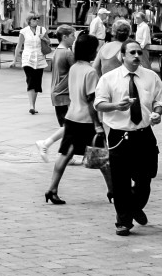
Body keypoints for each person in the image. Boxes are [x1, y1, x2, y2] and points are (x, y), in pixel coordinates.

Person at [94, 39, 162, 236]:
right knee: (121, 181)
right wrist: (116, 106)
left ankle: (135, 207)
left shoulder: (151, 76)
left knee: (145, 180)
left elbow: (161, 99)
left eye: (138, 52)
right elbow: (99, 103)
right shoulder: (109, 78)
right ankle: (123, 220)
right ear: (123, 56)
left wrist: (157, 112)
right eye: (132, 53)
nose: (136, 56)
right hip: (120, 135)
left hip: (144, 135)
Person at [44, 32, 113, 204]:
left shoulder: (74, 67)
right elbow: (91, 100)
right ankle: (113, 191)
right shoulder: (90, 72)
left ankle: (52, 189)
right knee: (103, 158)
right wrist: (97, 124)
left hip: (71, 117)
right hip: (86, 121)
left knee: (65, 154)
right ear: (90, 51)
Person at [36, 24, 76, 160]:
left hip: (58, 92)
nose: (74, 39)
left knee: (67, 127)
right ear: (64, 37)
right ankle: (46, 144)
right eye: (72, 36)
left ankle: (66, 155)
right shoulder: (67, 53)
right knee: (69, 126)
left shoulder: (58, 51)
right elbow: (77, 70)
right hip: (63, 94)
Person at [14, 13, 51, 115]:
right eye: (34, 19)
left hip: (39, 58)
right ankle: (31, 106)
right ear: (29, 20)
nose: (36, 20)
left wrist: (44, 38)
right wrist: (15, 59)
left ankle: (33, 106)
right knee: (30, 80)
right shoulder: (24, 31)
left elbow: (49, 42)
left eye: (37, 19)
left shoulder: (42, 30)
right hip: (28, 58)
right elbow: (19, 45)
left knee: (37, 82)